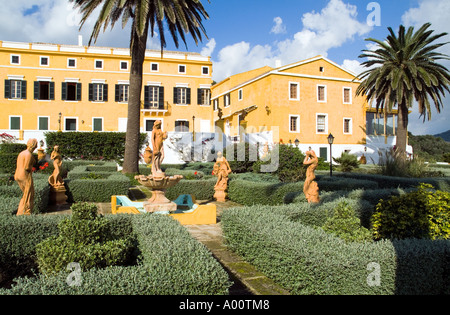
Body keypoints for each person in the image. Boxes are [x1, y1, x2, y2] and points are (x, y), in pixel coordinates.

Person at [14, 138, 38, 216]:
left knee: (25, 194)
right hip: (24, 175)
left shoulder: (22, 153)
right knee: (29, 194)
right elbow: (27, 167)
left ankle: (20, 212)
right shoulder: (28, 154)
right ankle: (25, 212)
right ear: (34, 146)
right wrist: (33, 168)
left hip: (17, 175)